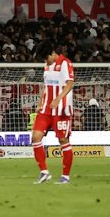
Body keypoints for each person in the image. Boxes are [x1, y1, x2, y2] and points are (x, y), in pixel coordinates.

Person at [31, 44, 74, 185]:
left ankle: (65, 176)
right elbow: (46, 85)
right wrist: (39, 102)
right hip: (45, 109)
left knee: (63, 141)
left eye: (46, 58)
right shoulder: (47, 65)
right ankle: (44, 172)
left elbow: (69, 84)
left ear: (53, 53)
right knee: (35, 137)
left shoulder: (65, 63)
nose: (46, 61)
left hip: (60, 110)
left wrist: (57, 99)